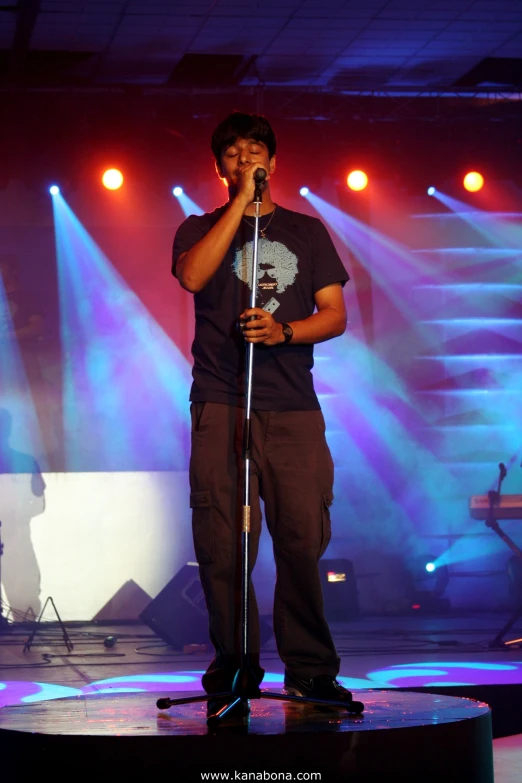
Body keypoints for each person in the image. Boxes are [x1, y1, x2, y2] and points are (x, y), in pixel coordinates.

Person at [172, 111, 352, 715]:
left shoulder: (307, 231)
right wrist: (238, 209)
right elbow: (194, 276)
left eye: (255, 151)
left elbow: (335, 314)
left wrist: (283, 331)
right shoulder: (197, 228)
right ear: (220, 167)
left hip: (293, 409)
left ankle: (309, 671)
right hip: (222, 402)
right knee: (225, 545)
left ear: (273, 162)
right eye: (232, 154)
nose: (245, 159)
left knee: (301, 540)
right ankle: (236, 667)